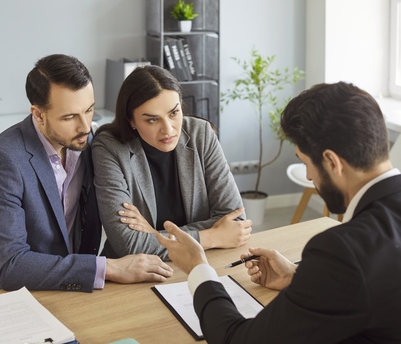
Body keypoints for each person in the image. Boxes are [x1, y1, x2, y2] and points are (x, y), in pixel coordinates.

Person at [158, 81, 401, 343]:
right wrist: (297, 278)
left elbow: (239, 340)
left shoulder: (343, 251)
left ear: (331, 162)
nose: (309, 176)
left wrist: (198, 269)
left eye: (306, 163)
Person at [0, 54, 173, 297]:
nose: (84, 126)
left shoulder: (92, 144)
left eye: (89, 110)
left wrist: (151, 230)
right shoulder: (3, 160)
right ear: (38, 114)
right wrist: (109, 268)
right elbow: (11, 266)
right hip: (4, 296)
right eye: (70, 117)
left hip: (70, 290)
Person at [91, 65, 252, 259]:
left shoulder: (201, 134)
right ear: (131, 120)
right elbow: (127, 243)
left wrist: (152, 233)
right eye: (152, 120)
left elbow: (235, 221)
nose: (168, 130)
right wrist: (211, 236)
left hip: (201, 263)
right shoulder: (109, 148)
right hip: (136, 272)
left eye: (174, 113)